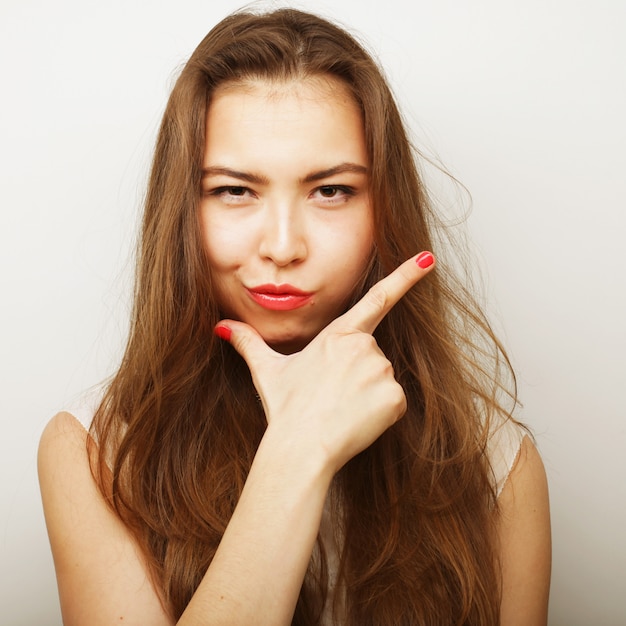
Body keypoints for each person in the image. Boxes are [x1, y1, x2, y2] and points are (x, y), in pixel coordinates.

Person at [38, 7, 551, 626]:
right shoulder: (99, 451)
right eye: (234, 190)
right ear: (182, 212)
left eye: (330, 191)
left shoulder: (494, 462)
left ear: (384, 208)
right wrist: (298, 449)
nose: (283, 247)